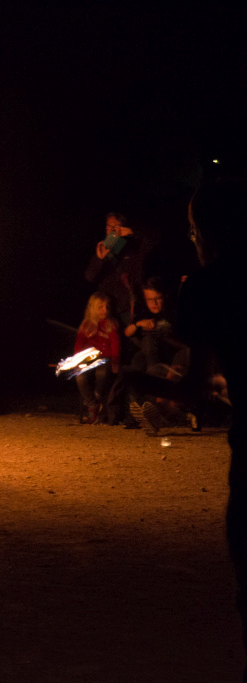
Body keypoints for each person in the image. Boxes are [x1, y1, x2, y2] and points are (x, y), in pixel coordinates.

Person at [130, 179, 246, 675]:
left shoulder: (206, 285)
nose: (194, 242)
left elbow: (194, 383)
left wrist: (138, 381)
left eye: (195, 233)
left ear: (208, 232)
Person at [84, 212, 147, 330]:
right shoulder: (103, 249)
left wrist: (132, 232)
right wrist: (99, 259)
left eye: (116, 227)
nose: (112, 230)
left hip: (127, 310)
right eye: (109, 226)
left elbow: (152, 240)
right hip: (106, 309)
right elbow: (89, 277)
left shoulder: (133, 249)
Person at [73, 292, 121, 425]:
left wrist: (115, 360)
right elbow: (79, 344)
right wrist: (77, 359)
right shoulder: (87, 324)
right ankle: (92, 404)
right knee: (80, 376)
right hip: (88, 357)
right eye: (100, 307)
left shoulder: (111, 324)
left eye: (107, 307)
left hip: (105, 357)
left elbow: (115, 343)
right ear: (92, 308)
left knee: (102, 373)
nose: (105, 310)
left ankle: (97, 396)